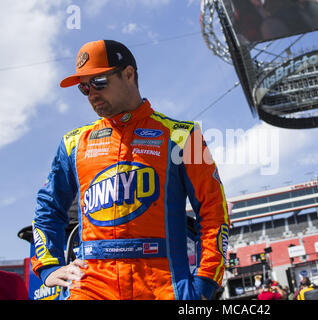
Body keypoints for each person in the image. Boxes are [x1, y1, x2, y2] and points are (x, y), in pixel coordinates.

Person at [30, 40, 230, 300]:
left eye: (99, 82)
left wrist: (205, 283)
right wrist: (48, 266)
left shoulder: (185, 136)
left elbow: (213, 211)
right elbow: (47, 208)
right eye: (84, 88)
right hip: (91, 287)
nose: (92, 94)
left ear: (129, 74)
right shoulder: (72, 143)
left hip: (164, 287)